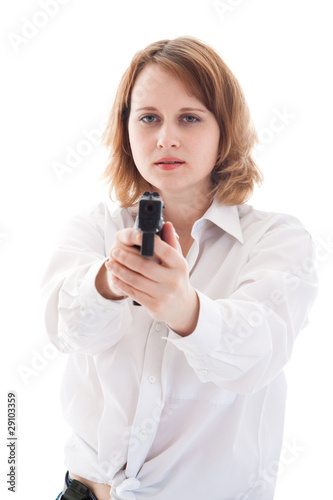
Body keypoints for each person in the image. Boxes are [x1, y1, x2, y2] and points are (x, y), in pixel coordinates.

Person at [42, 36, 318, 500]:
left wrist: (185, 309)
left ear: (223, 130)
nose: (165, 137)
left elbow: (256, 355)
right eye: (148, 118)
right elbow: (64, 330)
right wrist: (110, 281)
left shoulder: (277, 241)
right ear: (126, 129)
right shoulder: (95, 229)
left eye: (189, 118)